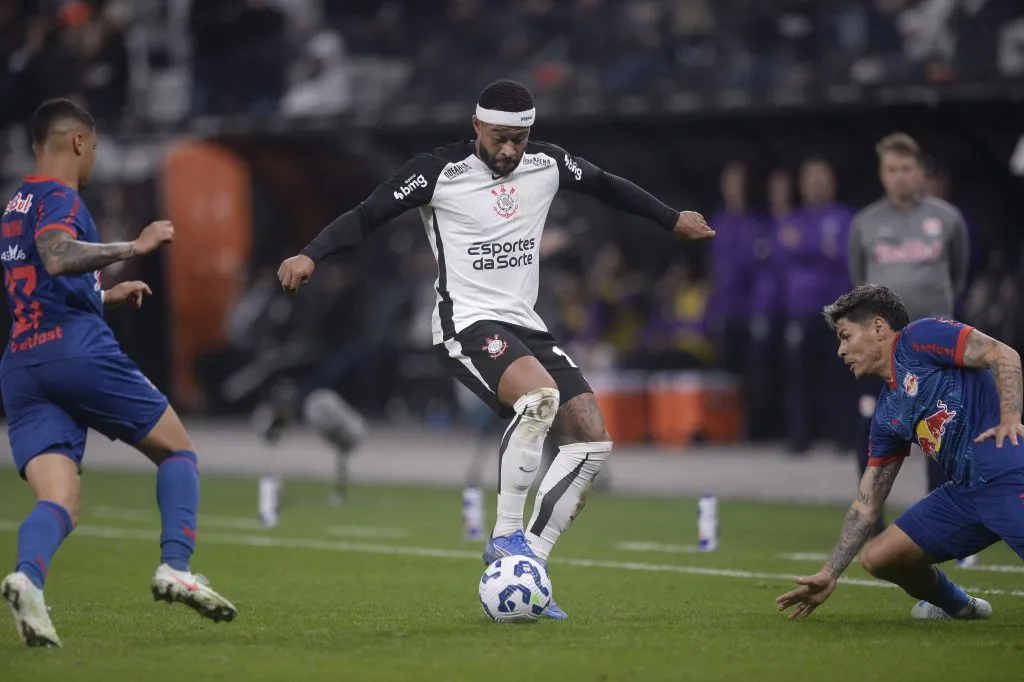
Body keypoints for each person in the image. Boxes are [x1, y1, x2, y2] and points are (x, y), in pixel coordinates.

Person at [277, 79, 714, 619]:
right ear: (477, 126)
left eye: (521, 139)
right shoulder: (438, 172)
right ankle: (505, 536)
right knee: (538, 401)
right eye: (501, 138)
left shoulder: (547, 164)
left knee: (592, 441)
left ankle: (527, 561)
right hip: (464, 323)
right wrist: (310, 254)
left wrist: (671, 218)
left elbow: (606, 185)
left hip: (526, 325)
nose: (510, 150)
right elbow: (367, 214)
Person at [0, 99, 236, 648]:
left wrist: (102, 295)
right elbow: (57, 256)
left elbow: (42, 285)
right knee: (177, 451)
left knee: (59, 499)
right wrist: (136, 246)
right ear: (79, 142)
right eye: (96, 148)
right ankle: (175, 566)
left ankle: (27, 580)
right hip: (75, 354)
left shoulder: (14, 204)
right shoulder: (61, 196)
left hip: (22, 365)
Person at [776, 284, 1024, 621]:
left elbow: (1003, 354)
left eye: (846, 336)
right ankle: (959, 607)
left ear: (878, 328)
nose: (840, 350)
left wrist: (1010, 418)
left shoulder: (920, 338)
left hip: (1008, 473)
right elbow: (867, 505)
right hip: (965, 495)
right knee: (878, 557)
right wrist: (829, 572)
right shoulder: (887, 413)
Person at [847, 133, 971, 545]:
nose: (900, 177)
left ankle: (944, 519)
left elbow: (958, 274)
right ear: (882, 174)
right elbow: (857, 284)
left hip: (936, 352)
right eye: (891, 170)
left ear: (920, 171)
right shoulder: (864, 223)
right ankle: (871, 522)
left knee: (943, 434)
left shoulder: (948, 219)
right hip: (883, 352)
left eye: (907, 169)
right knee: (874, 435)